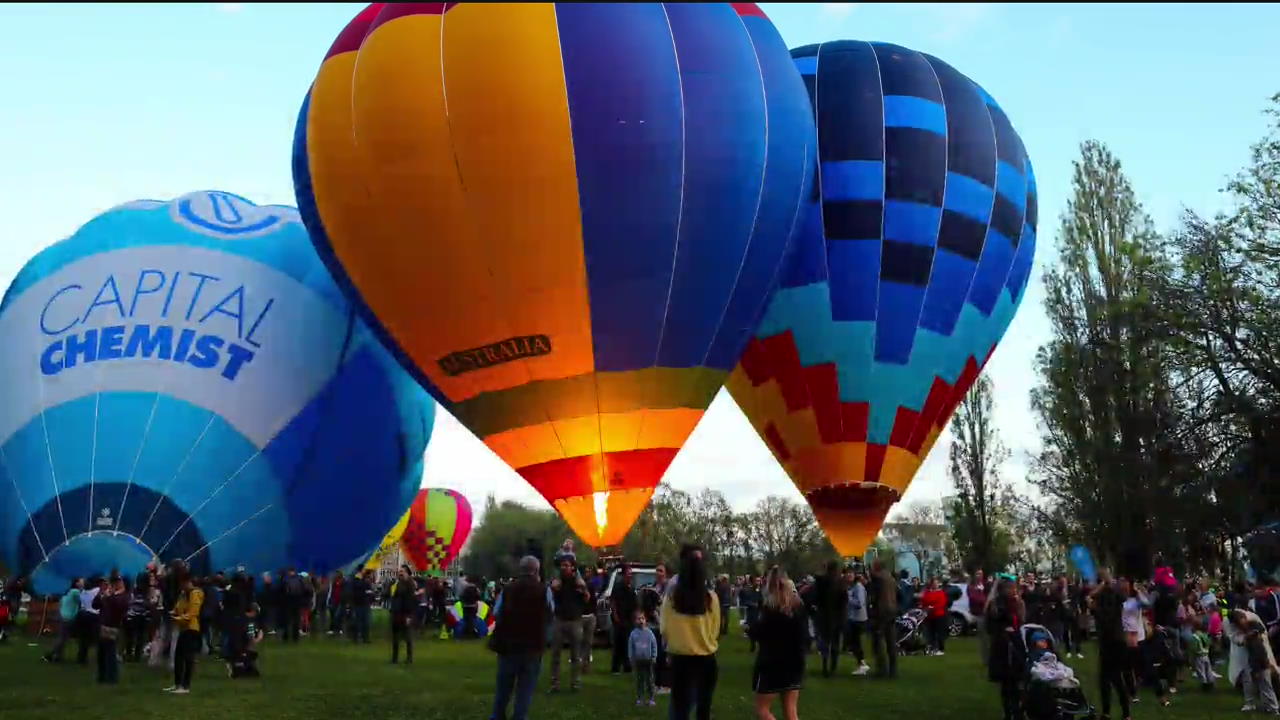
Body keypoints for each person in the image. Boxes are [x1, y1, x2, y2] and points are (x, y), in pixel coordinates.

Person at [661, 544, 721, 720]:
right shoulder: (711, 599)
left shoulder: (671, 599)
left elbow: (664, 629)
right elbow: (715, 630)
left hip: (681, 661)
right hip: (706, 660)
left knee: (680, 710)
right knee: (703, 710)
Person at [489, 556, 550, 720]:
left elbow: (496, 612)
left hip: (508, 645)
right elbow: (550, 612)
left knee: (503, 688)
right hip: (533, 646)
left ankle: (497, 716)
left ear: (520, 570)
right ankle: (519, 717)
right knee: (525, 689)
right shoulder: (544, 590)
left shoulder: (508, 589)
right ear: (537, 571)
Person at [749, 567, 807, 720]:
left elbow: (760, 633)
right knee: (791, 710)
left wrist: (750, 629)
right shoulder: (798, 607)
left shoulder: (769, 608)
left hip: (772, 664)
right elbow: (804, 636)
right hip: (795, 662)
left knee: (762, 710)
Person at [1090, 570, 1132, 720]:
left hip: (1111, 641)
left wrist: (1094, 610)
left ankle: (1115, 712)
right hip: (1116, 640)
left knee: (1110, 678)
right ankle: (1118, 712)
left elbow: (1105, 618)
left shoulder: (1107, 597)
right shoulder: (1114, 594)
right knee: (1110, 678)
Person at [548, 555, 589, 692]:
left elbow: (587, 599)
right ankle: (555, 684)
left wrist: (583, 590)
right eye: (562, 565)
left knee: (575, 655)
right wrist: (553, 588)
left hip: (575, 621)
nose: (564, 567)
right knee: (555, 654)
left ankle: (575, 683)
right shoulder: (557, 582)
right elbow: (550, 595)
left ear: (572, 567)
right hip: (559, 620)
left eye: (567, 565)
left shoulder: (578, 582)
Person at [988, 578, 1025, 720]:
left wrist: (1016, 605)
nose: (1013, 591)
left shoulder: (1019, 603)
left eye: (1014, 588)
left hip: (1016, 643)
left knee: (1017, 681)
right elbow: (992, 622)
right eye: (1010, 589)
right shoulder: (996, 604)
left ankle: (1017, 710)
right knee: (1006, 681)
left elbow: (1021, 619)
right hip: (1002, 645)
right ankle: (1008, 711)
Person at [1231, 608, 1280, 713]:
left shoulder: (1254, 640)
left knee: (1266, 687)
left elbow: (1258, 653)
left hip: (1261, 663)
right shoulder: (1251, 635)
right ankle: (1269, 706)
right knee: (1264, 687)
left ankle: (1274, 708)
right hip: (1258, 663)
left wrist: (1258, 669)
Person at [809, 560, 848, 677]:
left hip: (824, 615)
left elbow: (815, 597)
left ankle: (825, 666)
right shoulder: (841, 582)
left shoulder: (821, 581)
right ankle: (833, 668)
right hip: (837, 616)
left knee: (825, 642)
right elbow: (844, 600)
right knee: (835, 643)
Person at [167, 571, 204, 694]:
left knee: (188, 657)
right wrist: (172, 613)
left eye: (182, 583)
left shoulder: (195, 593)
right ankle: (177, 684)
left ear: (188, 582)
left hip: (192, 629)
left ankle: (185, 686)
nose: (181, 586)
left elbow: (193, 613)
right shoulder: (183, 594)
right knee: (178, 657)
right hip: (183, 628)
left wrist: (177, 619)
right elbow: (178, 608)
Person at [94, 574, 129, 684]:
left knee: (110, 653)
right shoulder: (108, 594)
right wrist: (101, 593)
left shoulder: (123, 596)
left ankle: (111, 678)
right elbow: (95, 605)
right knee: (101, 653)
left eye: (117, 582)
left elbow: (118, 607)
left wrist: (109, 596)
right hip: (103, 625)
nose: (114, 584)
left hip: (113, 626)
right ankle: (102, 676)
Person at [867, 560, 898, 679]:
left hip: (880, 613)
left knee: (878, 642)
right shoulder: (891, 578)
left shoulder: (877, 578)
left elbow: (873, 596)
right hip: (891, 611)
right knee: (891, 641)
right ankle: (893, 670)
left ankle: (882, 670)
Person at [43, 577, 83, 663]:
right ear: (76, 583)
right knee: (62, 638)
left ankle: (57, 656)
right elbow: (82, 601)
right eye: (80, 581)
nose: (82, 582)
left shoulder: (66, 592)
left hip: (63, 616)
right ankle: (51, 655)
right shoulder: (75, 592)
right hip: (68, 617)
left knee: (62, 637)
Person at [610, 564, 638, 674]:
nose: (630, 575)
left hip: (629, 619)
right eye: (628, 573)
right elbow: (613, 602)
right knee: (618, 644)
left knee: (628, 643)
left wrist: (635, 617)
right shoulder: (618, 586)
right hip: (619, 618)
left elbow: (635, 604)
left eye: (631, 574)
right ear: (624, 575)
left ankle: (627, 667)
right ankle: (615, 668)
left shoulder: (631, 588)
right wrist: (615, 615)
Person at [629, 610, 659, 707]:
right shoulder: (633, 634)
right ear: (635, 621)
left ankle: (651, 698)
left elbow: (654, 645)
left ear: (645, 620)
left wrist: (654, 656)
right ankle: (640, 698)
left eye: (642, 618)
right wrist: (631, 657)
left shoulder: (649, 633)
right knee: (639, 680)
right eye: (638, 619)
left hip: (648, 660)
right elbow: (630, 647)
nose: (641, 620)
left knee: (650, 680)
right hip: (638, 661)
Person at [389, 566, 416, 664]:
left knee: (407, 637)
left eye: (402, 571)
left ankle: (409, 658)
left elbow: (411, 601)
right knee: (395, 637)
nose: (400, 573)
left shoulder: (410, 584)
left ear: (407, 573)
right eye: (399, 571)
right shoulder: (398, 583)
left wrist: (409, 616)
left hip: (405, 614)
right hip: (396, 613)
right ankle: (394, 658)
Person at [920, 577, 949, 656]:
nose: (935, 584)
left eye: (937, 583)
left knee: (939, 633)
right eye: (934, 583)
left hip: (939, 615)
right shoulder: (927, 592)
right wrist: (925, 608)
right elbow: (923, 601)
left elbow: (942, 603)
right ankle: (932, 648)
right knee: (930, 633)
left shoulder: (941, 593)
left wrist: (933, 607)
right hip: (929, 616)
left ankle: (940, 649)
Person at [968, 570, 990, 666]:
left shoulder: (986, 585)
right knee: (984, 638)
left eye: (981, 573)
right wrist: (986, 599)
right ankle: (986, 660)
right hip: (979, 614)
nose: (979, 575)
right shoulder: (971, 587)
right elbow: (976, 599)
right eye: (977, 573)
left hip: (989, 614)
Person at [1189, 615, 1214, 691]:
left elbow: (1193, 648)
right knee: (1208, 670)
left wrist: (1191, 655)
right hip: (1206, 655)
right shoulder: (1205, 635)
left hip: (1198, 656)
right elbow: (1209, 643)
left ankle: (1204, 685)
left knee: (1201, 671)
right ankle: (1210, 682)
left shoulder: (1195, 636)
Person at [350, 569, 374, 644]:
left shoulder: (365, 582)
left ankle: (363, 638)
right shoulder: (358, 581)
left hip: (364, 604)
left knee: (364, 622)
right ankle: (358, 638)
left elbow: (370, 593)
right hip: (359, 604)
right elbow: (364, 591)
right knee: (359, 622)